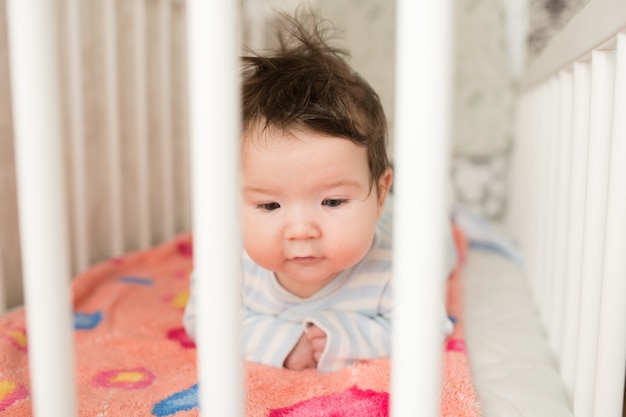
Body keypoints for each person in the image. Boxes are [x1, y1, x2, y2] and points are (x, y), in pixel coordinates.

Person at [183, 11, 454, 372]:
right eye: (269, 205)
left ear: (380, 191)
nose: (301, 230)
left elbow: (427, 329)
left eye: (332, 201)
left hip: (410, 224)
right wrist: (282, 341)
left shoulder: (396, 266)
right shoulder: (229, 259)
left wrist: (346, 337)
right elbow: (205, 319)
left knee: (434, 228)